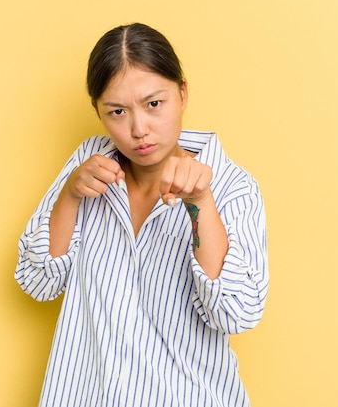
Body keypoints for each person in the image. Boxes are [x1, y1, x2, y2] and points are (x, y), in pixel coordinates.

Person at [15, 23, 269, 407]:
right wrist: (69, 194)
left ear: (182, 92)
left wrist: (200, 201)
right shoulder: (89, 164)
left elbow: (236, 313)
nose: (139, 130)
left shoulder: (234, 186)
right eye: (117, 111)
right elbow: (37, 281)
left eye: (154, 104)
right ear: (97, 111)